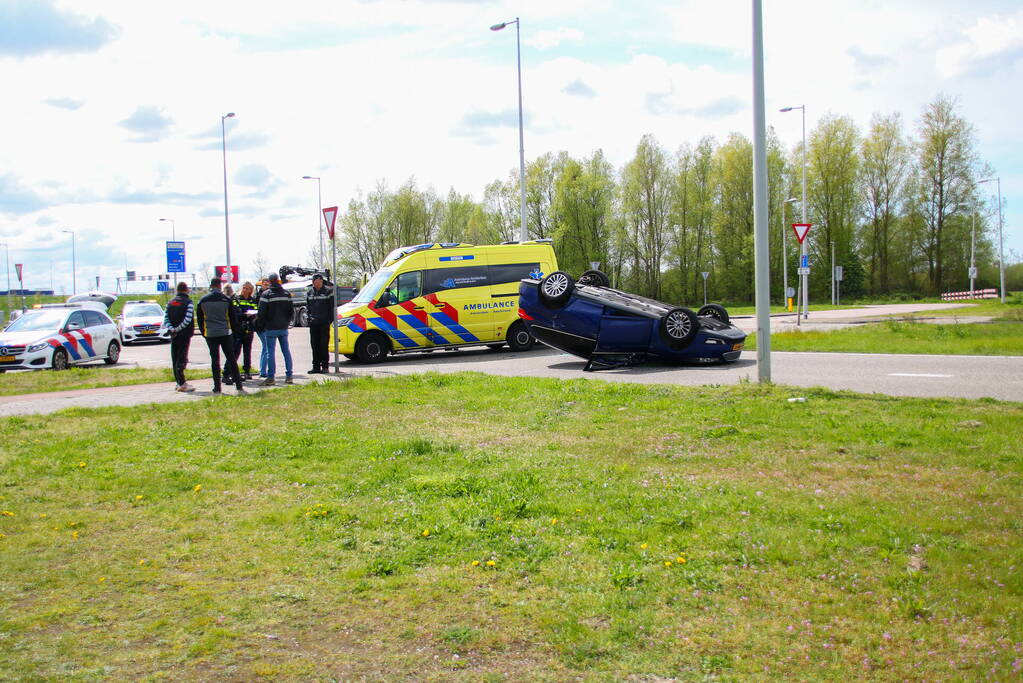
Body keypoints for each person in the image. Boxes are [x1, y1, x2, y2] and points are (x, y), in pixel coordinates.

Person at [197, 278, 245, 394]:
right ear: (220, 286)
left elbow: (199, 319)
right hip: (225, 333)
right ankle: (238, 385)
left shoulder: (203, 300)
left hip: (211, 334)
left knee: (215, 360)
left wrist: (204, 333)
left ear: (211, 286)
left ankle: (217, 387)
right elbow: (233, 318)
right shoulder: (226, 300)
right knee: (231, 359)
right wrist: (234, 332)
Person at [255, 271, 294, 386]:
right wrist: (286, 322)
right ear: (278, 280)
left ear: (270, 281)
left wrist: (260, 325)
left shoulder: (266, 294)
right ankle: (289, 376)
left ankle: (271, 377)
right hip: (283, 327)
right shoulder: (286, 294)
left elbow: (261, 313)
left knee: (270, 352)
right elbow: (291, 311)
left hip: (271, 327)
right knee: (286, 351)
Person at [163, 281, 195, 393]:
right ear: (186, 290)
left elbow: (165, 318)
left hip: (174, 335)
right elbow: (187, 319)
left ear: (177, 290)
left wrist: (172, 329)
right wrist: (178, 329)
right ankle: (182, 383)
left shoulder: (170, 303)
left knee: (175, 358)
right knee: (182, 358)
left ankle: (179, 382)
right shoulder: (189, 303)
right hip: (184, 334)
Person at [230, 281, 258, 381]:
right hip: (238, 328)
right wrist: (244, 315)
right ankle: (232, 372)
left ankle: (247, 371)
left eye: (248, 288)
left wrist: (250, 316)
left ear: (251, 290)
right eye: (244, 288)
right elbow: (235, 313)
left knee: (247, 351)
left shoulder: (252, 300)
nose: (245, 290)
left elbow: (255, 310)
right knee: (236, 351)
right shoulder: (236, 299)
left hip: (249, 328)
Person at [306, 273, 334, 373]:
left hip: (324, 323)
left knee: (323, 345)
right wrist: (309, 318)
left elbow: (332, 308)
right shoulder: (310, 292)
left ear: (322, 281)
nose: (317, 283)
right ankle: (316, 367)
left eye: (319, 281)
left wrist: (329, 320)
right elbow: (308, 308)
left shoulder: (328, 291)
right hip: (313, 324)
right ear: (313, 282)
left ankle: (325, 367)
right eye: (315, 281)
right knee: (314, 345)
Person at [254, 277, 271, 378]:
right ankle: (263, 371)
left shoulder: (270, 295)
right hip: (260, 325)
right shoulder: (257, 296)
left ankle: (264, 370)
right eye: (265, 284)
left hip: (268, 325)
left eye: (268, 284)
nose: (266, 286)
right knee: (266, 346)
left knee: (267, 347)